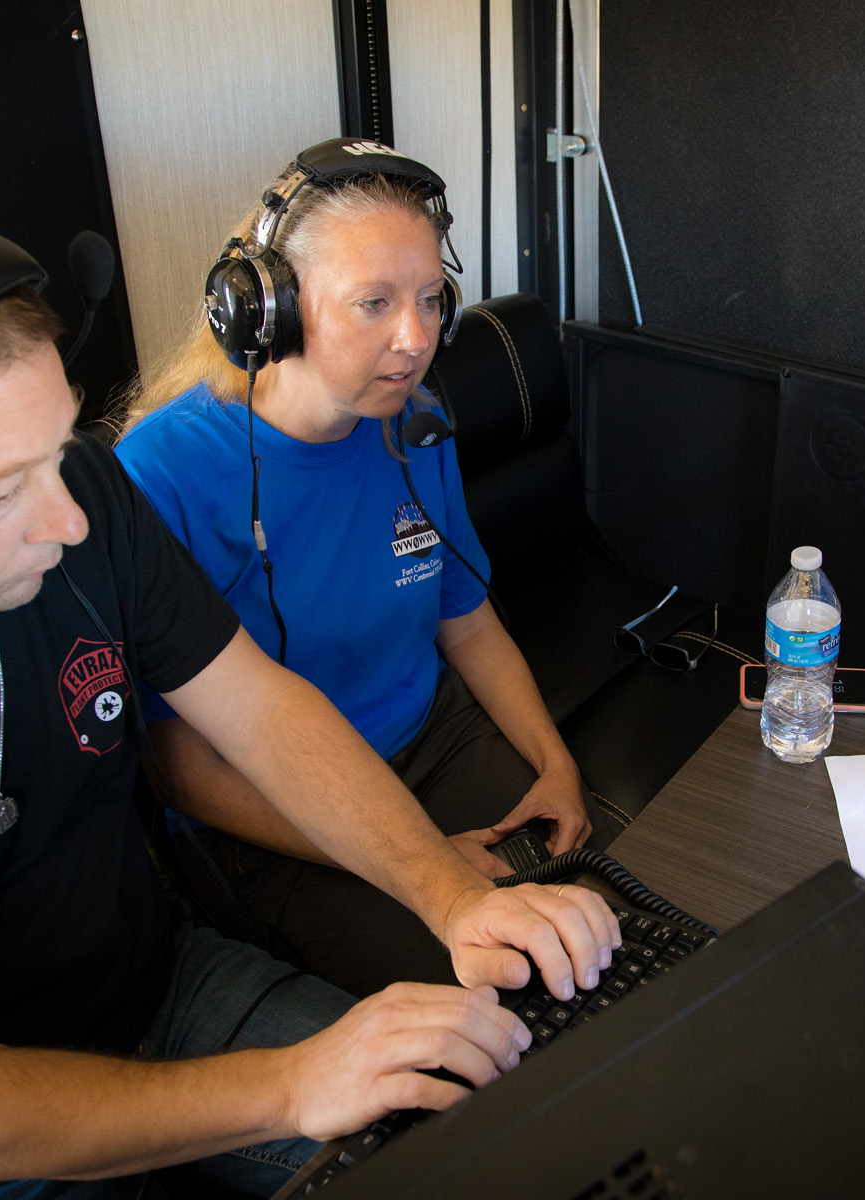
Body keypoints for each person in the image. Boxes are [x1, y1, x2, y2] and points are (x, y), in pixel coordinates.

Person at [0, 200, 618, 1199]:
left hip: (160, 991)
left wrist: (452, 898)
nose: (69, 517)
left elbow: (261, 712)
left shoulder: (84, 494)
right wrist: (296, 1083)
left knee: (498, 1143)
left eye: (56, 451)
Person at [113, 140, 607, 997]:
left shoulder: (414, 424)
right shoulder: (162, 473)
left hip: (433, 741)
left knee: (599, 934)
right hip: (274, 817)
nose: (414, 339)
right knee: (497, 999)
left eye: (429, 300)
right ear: (271, 309)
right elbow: (184, 773)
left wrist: (555, 764)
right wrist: (420, 857)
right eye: (374, 302)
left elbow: (468, 622)